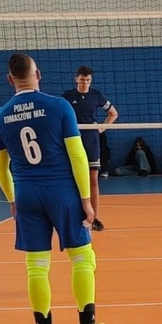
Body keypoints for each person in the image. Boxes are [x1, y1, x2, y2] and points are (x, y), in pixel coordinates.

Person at [0, 52, 119, 324]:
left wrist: (12, 199)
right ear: (38, 75)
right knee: (82, 257)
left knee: (36, 265)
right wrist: (86, 200)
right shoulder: (59, 106)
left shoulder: (0, 116)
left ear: (10, 79)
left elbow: (0, 168)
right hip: (62, 192)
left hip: (26, 193)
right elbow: (77, 155)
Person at [62, 66, 118, 231]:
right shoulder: (67, 96)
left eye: (88, 80)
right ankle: (75, 216)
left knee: (93, 179)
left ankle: (94, 218)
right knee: (72, 179)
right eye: (82, 80)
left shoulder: (96, 95)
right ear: (76, 79)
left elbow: (113, 113)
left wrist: (102, 127)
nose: (85, 83)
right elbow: (59, 114)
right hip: (73, 139)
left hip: (91, 140)